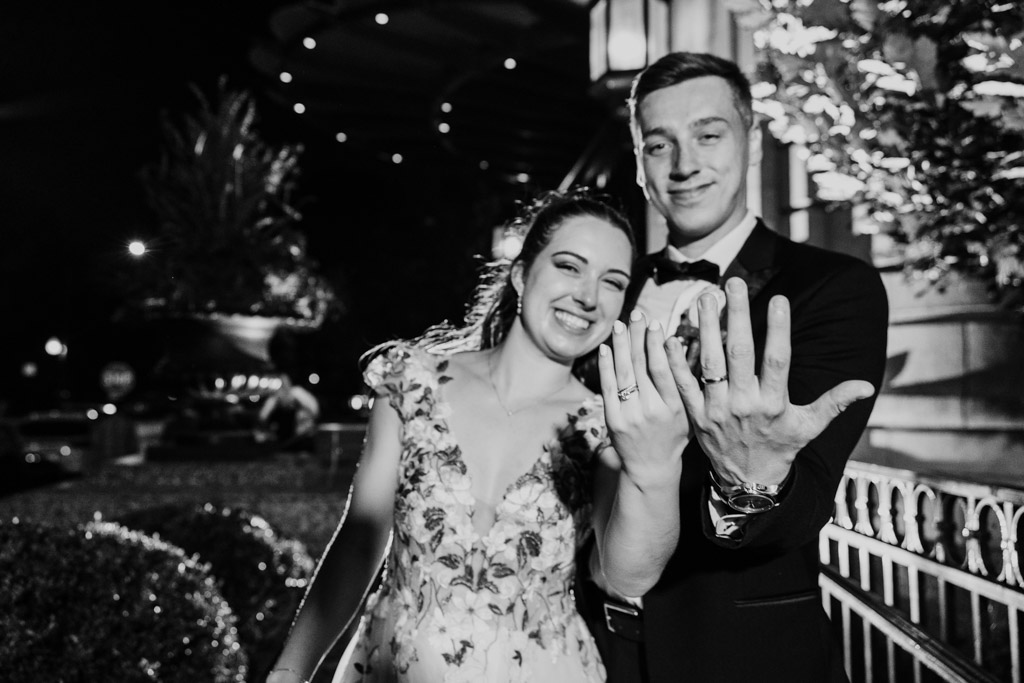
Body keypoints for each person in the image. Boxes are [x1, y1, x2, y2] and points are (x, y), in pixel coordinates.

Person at [577, 52, 889, 682]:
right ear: (637, 162)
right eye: (658, 144)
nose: (685, 165)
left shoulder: (832, 288)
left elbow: (803, 501)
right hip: (580, 647)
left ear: (748, 138)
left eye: (708, 135)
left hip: (740, 653)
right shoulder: (603, 291)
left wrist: (752, 481)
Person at [266, 189, 637, 683]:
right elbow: (360, 538)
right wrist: (290, 671)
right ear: (522, 274)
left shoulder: (607, 430)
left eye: (612, 282)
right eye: (570, 266)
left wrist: (651, 466)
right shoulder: (412, 381)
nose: (589, 296)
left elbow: (616, 574)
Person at [258, 374, 320, 450]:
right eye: (281, 385)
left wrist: (295, 401)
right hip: (284, 440)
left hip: (303, 437)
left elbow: (315, 410)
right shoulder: (275, 398)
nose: (284, 387)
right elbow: (262, 416)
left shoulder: (297, 392)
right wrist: (276, 400)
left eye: (285, 383)